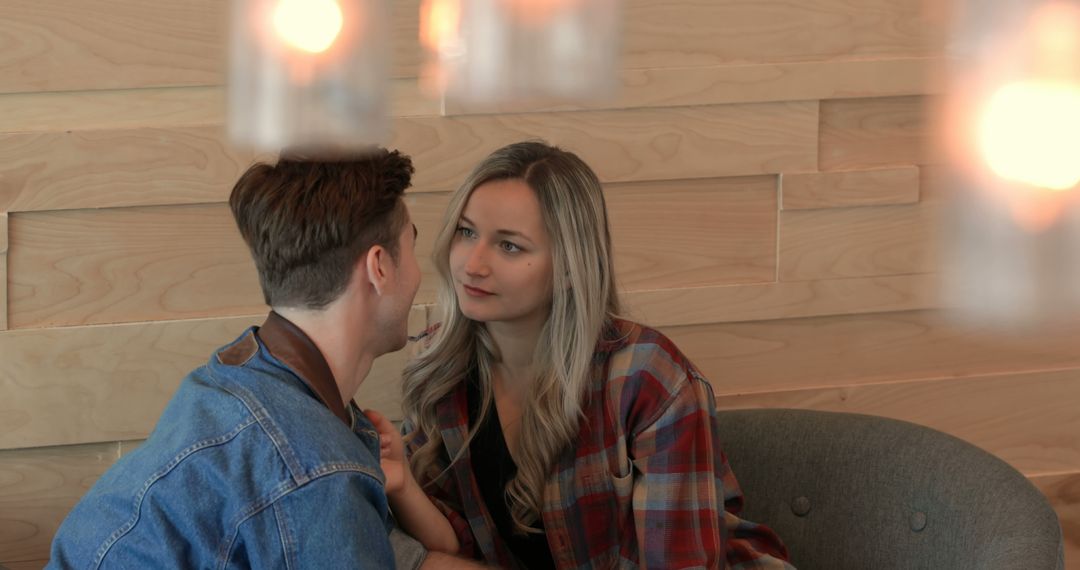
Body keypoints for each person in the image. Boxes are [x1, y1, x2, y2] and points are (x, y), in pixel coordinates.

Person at [377, 141, 794, 568]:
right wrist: (402, 484)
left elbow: (678, 562)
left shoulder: (649, 379)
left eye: (510, 246)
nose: (472, 264)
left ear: (571, 265)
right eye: (466, 232)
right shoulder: (439, 361)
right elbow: (460, 546)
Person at [47, 150, 444, 568]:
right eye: (412, 243)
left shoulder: (244, 370)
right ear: (379, 267)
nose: (419, 275)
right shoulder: (317, 472)